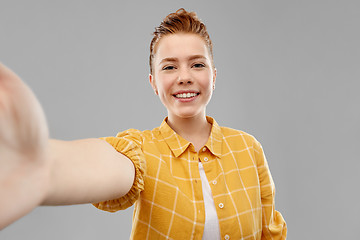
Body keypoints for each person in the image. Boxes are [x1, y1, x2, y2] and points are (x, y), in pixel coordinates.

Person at [0, 8, 286, 240]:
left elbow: (271, 235)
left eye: (197, 64)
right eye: (169, 66)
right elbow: (105, 164)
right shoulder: (141, 151)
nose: (184, 76)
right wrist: (40, 166)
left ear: (213, 76)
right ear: (153, 82)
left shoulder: (249, 149)